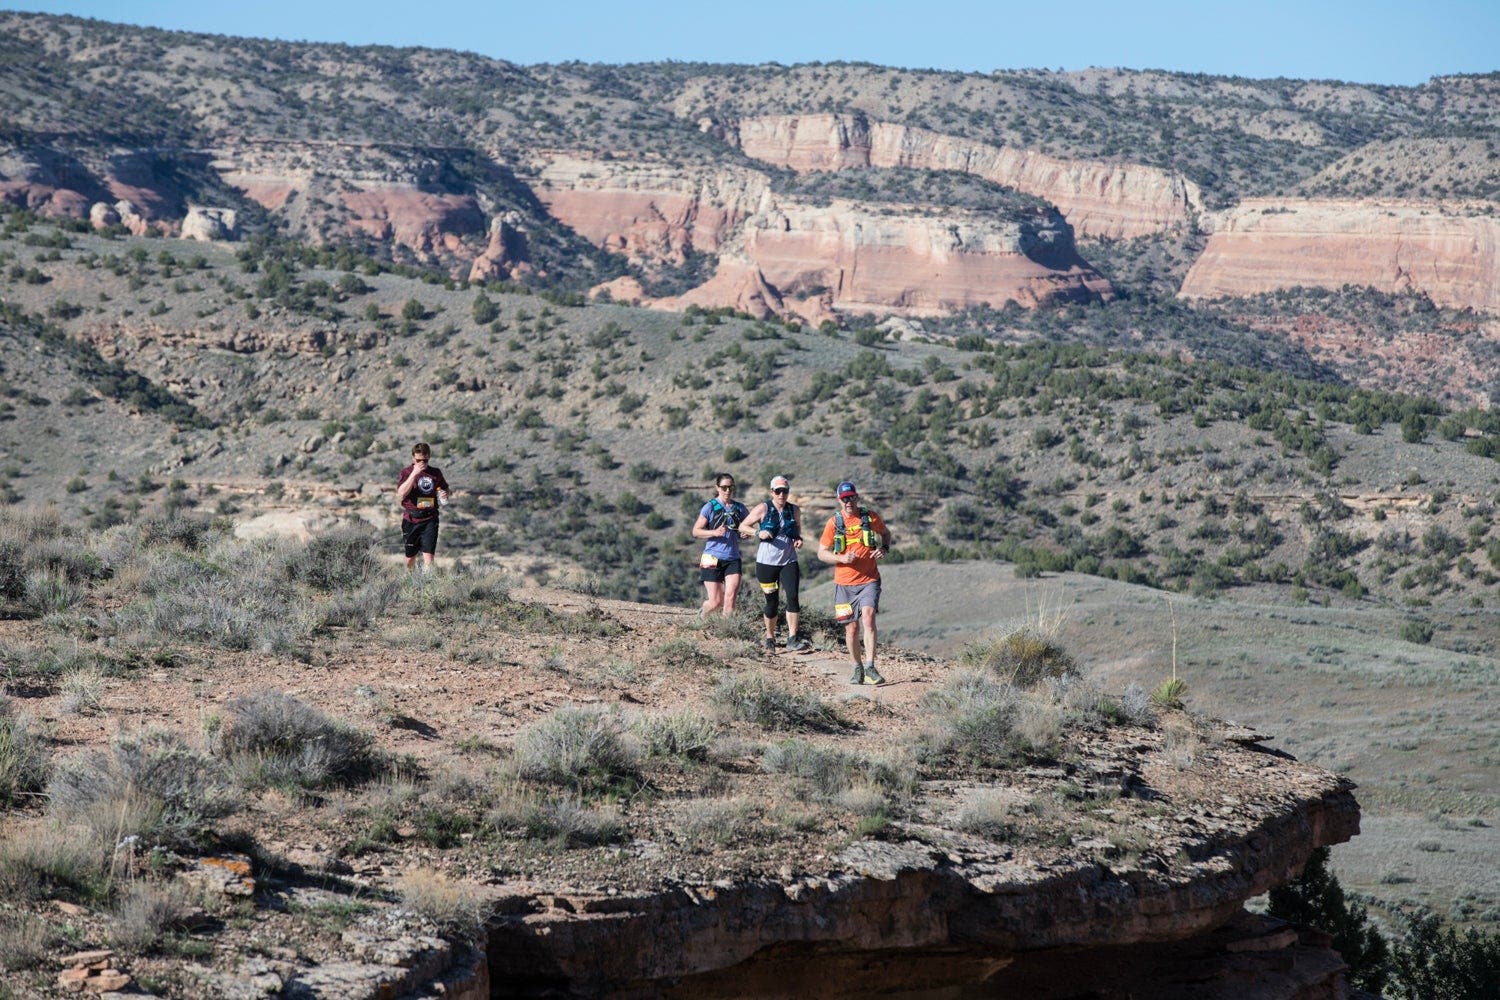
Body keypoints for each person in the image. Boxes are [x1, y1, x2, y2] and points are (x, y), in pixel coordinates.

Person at [817, 480, 892, 685]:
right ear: (839, 501)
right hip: (844, 584)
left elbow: (886, 534)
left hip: (869, 580)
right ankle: (857, 667)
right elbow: (821, 553)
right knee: (851, 628)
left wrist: (884, 549)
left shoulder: (870, 517)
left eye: (851, 497)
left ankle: (870, 667)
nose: (848, 502)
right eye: (844, 499)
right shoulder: (834, 523)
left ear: (856, 497)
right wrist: (841, 559)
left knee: (868, 618)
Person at [743, 475, 808, 653]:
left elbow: (797, 531)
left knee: (793, 597)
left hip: (789, 560)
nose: (781, 494)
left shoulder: (794, 510)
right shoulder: (763, 508)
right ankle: (770, 637)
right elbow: (743, 526)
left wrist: (798, 540)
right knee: (771, 602)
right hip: (766, 563)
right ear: (772, 492)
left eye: (785, 491)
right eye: (778, 491)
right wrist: (758, 532)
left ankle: (792, 638)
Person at [691, 473, 748, 618]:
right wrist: (715, 532)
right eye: (724, 487)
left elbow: (747, 527)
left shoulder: (740, 508)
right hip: (711, 557)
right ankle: (702, 613)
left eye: (731, 487)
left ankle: (725, 632)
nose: (728, 490)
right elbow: (696, 531)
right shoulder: (710, 507)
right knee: (716, 602)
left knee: (730, 600)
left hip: (733, 558)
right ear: (717, 488)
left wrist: (745, 534)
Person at [396, 442, 450, 573]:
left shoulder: (435, 473)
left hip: (430, 519)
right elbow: (401, 493)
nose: (422, 462)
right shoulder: (406, 472)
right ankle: (408, 581)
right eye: (418, 460)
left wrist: (445, 493)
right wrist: (414, 473)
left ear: (429, 457)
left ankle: (427, 586)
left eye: (425, 460)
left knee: (429, 558)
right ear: (413, 458)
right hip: (411, 519)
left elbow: (445, 488)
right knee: (410, 558)